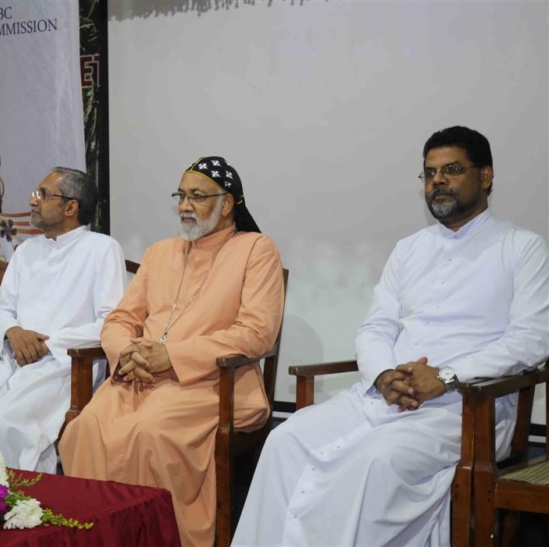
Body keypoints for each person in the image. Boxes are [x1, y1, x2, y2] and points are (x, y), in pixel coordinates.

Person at [233, 126, 549, 546]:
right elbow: (376, 326)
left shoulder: (522, 247)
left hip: (467, 408)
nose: (438, 180)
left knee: (376, 461)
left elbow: (532, 339)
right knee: (284, 440)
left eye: (452, 170)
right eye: (429, 173)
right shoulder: (410, 248)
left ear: (486, 176)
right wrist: (384, 375)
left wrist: (447, 376)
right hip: (386, 397)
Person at [59, 156, 285, 547]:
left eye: (197, 196)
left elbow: (256, 333)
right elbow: (120, 319)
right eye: (180, 196)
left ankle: (155, 538)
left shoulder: (256, 249)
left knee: (147, 434)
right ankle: (96, 538)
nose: (184, 205)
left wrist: (173, 357)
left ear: (227, 204)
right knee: (85, 429)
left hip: (210, 384)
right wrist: (126, 354)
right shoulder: (160, 252)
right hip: (138, 376)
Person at [0, 167, 125, 473]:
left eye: (43, 195)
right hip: (12, 363)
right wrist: (13, 331)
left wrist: (47, 344)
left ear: (71, 207)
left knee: (0, 424)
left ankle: (3, 498)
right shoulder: (28, 250)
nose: (33, 201)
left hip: (65, 370)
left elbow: (111, 322)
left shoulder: (102, 248)